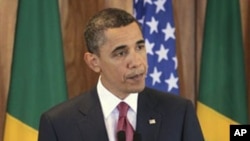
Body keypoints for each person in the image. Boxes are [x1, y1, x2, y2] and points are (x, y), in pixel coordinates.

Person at [38, 8, 204, 141]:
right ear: (93, 62)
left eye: (139, 47)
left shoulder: (178, 113)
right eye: (121, 53)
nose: (136, 62)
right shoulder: (59, 124)